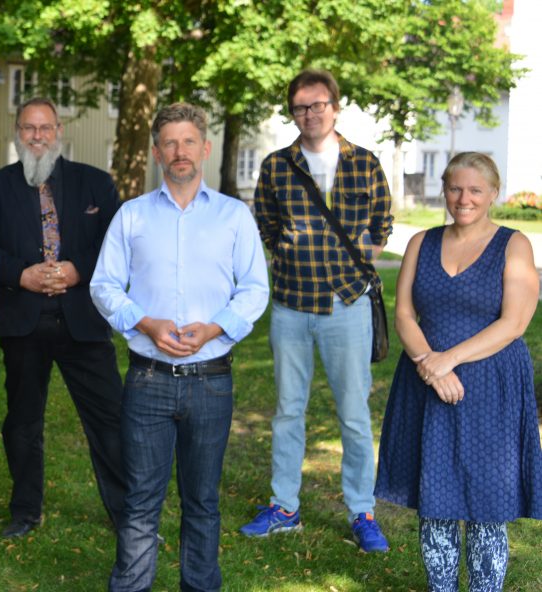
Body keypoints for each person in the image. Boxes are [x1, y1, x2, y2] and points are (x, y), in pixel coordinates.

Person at [91, 102, 269, 592]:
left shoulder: (234, 216)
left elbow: (255, 289)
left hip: (211, 382)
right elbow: (104, 285)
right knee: (141, 501)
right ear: (156, 153)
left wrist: (215, 328)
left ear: (205, 148)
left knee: (203, 502)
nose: (180, 151)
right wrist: (144, 322)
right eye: (169, 142)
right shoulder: (132, 216)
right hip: (147, 380)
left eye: (189, 141)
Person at [375, 152, 542, 590]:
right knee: (437, 499)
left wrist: (448, 359)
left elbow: (515, 322)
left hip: (491, 385)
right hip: (426, 382)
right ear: (444, 190)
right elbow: (405, 315)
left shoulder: (514, 244)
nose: (463, 198)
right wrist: (431, 366)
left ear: (493, 194)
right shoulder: (421, 243)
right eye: (454, 188)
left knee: (487, 502)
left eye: (474, 190)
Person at [243, 69, 393, 552]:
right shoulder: (276, 165)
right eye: (301, 107)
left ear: (335, 106)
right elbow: (264, 219)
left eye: (319, 104)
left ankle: (362, 511)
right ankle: (284, 507)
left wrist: (360, 258)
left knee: (353, 413)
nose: (310, 114)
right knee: (288, 411)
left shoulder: (364, 163)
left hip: (347, 304)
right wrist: (283, 253)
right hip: (291, 304)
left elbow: (382, 220)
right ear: (293, 112)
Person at [0, 96, 127, 538]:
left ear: (60, 132)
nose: (37, 137)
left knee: (110, 421)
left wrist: (78, 269)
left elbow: (115, 248)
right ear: (17, 133)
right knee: (22, 423)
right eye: (28, 128)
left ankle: (126, 514)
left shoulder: (95, 184)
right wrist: (18, 275)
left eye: (45, 128)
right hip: (23, 322)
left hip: (83, 321)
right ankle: (25, 511)